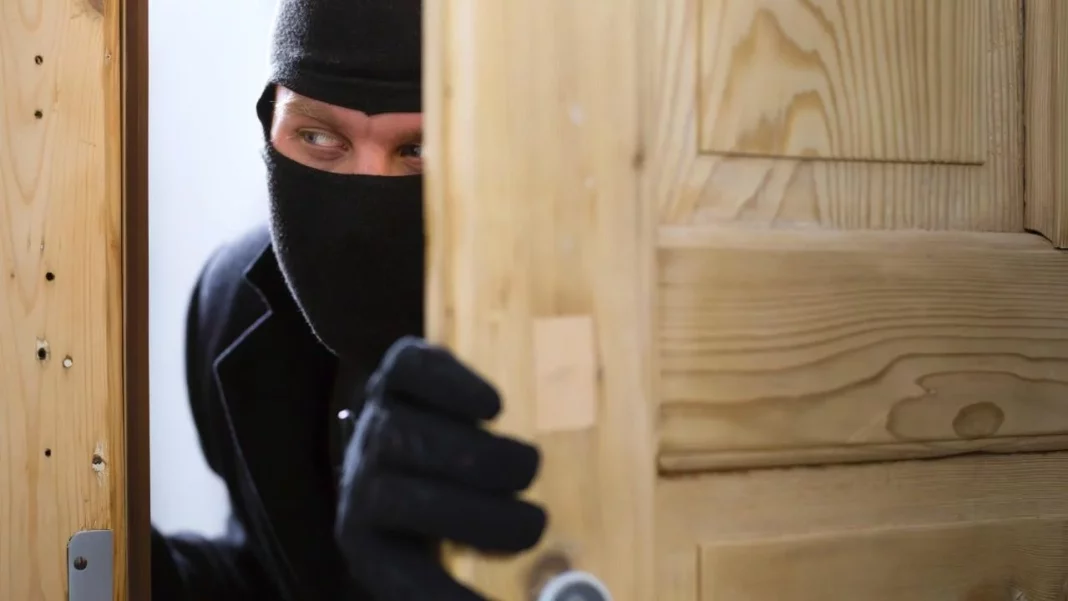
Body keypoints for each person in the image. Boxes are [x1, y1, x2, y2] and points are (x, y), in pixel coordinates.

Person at [149, 1, 547, 599]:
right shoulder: (234, 306)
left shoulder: (572, 348)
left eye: (419, 150)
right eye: (316, 137)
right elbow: (277, 569)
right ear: (269, 121)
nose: (364, 204)